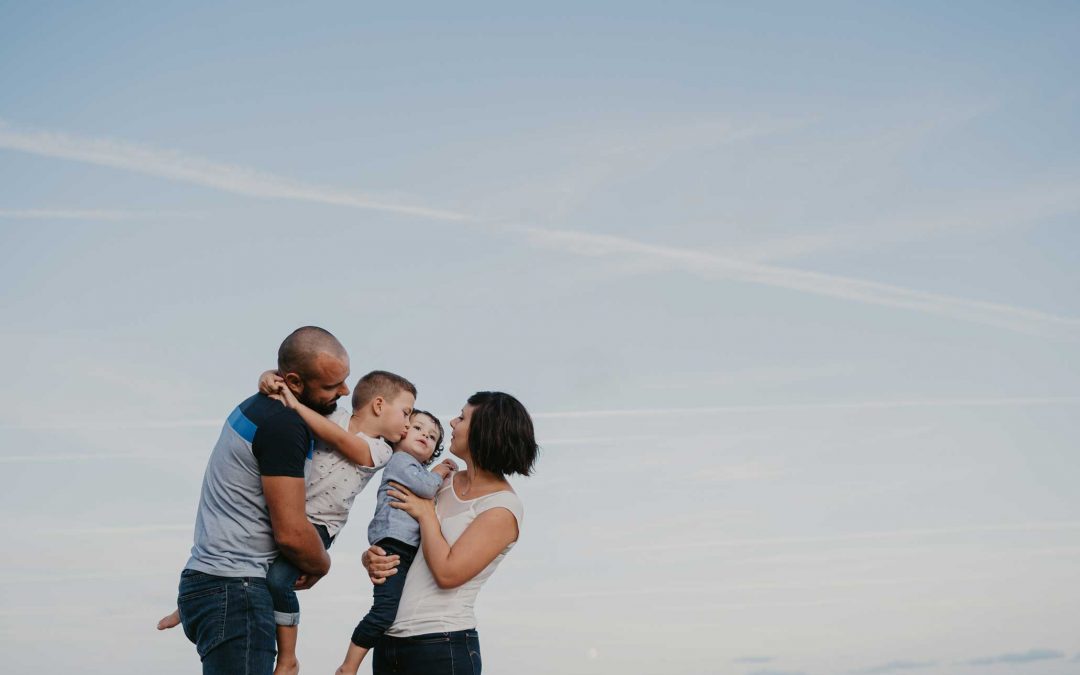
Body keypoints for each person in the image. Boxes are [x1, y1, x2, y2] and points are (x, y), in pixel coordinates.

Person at [163, 367, 419, 675]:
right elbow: (303, 393)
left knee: (276, 581)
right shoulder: (331, 414)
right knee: (252, 563)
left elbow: (342, 442)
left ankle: (288, 657)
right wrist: (271, 379)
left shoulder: (381, 449)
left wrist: (296, 406)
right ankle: (203, 596)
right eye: (406, 413)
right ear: (379, 405)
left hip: (319, 527)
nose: (408, 423)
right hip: (290, 513)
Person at [173, 326, 348, 675]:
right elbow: (291, 532)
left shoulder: (259, 407)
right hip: (236, 591)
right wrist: (322, 564)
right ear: (294, 383)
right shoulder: (283, 425)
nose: (343, 391)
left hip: (210, 583)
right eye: (331, 386)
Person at [361, 391, 539, 675]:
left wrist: (426, 513)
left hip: (441, 647)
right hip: (390, 641)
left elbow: (448, 574)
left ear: (485, 431)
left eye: (463, 417)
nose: (453, 423)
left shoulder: (502, 507)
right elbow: (402, 533)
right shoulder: (439, 482)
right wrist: (374, 557)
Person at [336, 408, 457, 675]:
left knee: (391, 608)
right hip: (395, 546)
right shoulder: (402, 461)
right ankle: (348, 666)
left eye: (432, 436)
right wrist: (439, 472)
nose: (425, 435)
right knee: (383, 612)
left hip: (402, 546)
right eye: (418, 428)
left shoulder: (414, 469)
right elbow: (427, 488)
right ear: (400, 434)